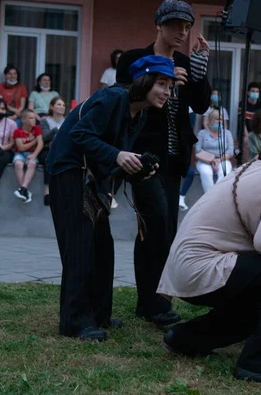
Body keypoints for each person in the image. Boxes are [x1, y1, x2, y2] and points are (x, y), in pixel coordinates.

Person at [158, 112, 261, 388]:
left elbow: (258, 233)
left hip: (187, 267)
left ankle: (187, 338)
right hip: (204, 268)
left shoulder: (253, 167)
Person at [46, 54, 177, 341]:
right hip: (68, 171)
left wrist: (136, 170)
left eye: (170, 86)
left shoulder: (138, 115)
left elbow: (108, 157)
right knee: (80, 248)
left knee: (102, 248)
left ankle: (98, 316)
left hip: (90, 178)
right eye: (162, 84)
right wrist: (118, 155)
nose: (168, 92)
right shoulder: (113, 98)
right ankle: (74, 322)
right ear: (144, 81)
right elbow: (80, 135)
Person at [128, 0, 212, 326]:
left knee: (168, 229)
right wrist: (158, 72)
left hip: (176, 159)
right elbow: (129, 97)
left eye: (188, 26)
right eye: (176, 25)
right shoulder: (136, 59)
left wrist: (201, 68)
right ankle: (152, 301)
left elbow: (202, 106)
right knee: (155, 223)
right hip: (144, 155)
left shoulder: (187, 64)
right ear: (159, 26)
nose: (183, 32)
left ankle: (155, 300)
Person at [196, 109, 234, 192]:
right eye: (217, 119)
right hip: (205, 161)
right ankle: (209, 196)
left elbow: (230, 151)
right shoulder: (202, 133)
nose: (219, 121)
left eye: (221, 119)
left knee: (225, 172)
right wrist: (211, 160)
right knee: (206, 172)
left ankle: (217, 195)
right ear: (210, 120)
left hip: (222, 159)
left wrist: (218, 160)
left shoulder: (227, 133)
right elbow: (198, 150)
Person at [38, 97, 66, 206]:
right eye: (59, 104)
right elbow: (44, 137)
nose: (62, 107)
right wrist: (56, 130)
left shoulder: (68, 121)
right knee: (48, 158)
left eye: (63, 105)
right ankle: (47, 191)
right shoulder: (45, 121)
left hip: (63, 149)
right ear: (51, 107)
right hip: (48, 149)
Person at [12, 109, 44, 203]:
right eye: (31, 118)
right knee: (18, 164)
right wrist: (34, 141)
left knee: (32, 164)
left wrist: (34, 155)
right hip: (20, 154)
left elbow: (40, 144)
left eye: (34, 117)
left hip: (32, 153)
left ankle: (23, 189)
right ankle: (24, 191)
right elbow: (21, 148)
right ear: (23, 120)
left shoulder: (37, 128)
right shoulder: (17, 131)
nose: (34, 120)